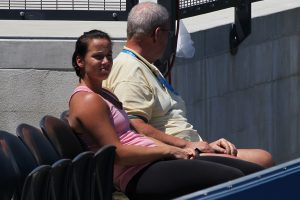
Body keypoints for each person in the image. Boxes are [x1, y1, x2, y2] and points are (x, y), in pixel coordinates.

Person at [68, 30, 264, 200]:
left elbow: (138, 132)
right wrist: (169, 151)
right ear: (80, 61)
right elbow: (118, 154)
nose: (106, 62)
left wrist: (188, 146)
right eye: (98, 57)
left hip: (155, 161)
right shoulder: (88, 100)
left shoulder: (104, 94)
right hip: (137, 173)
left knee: (251, 173)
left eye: (109, 56)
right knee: (235, 179)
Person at [103, 2, 274, 168]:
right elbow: (136, 127)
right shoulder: (129, 71)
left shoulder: (144, 65)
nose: (168, 40)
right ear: (157, 34)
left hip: (190, 150)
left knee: (262, 159)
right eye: (169, 34)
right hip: (173, 158)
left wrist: (202, 144)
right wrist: (186, 146)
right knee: (262, 160)